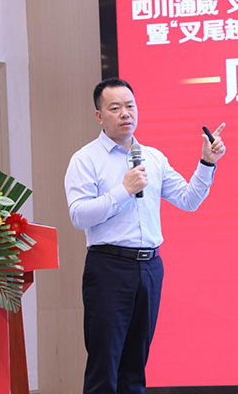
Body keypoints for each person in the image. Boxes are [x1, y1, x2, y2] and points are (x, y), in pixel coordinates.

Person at [64, 77, 225, 394]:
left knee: (135, 366)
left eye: (130, 106)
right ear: (99, 116)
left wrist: (207, 162)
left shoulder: (153, 157)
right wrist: (123, 191)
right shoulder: (85, 160)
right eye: (115, 108)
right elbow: (78, 215)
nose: (125, 113)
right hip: (109, 267)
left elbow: (189, 199)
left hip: (150, 267)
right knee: (104, 365)